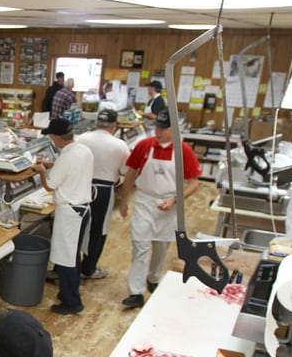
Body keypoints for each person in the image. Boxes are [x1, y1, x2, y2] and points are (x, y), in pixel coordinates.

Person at [118, 108, 201, 308]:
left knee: (161, 247)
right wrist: (124, 199)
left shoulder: (184, 152)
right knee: (140, 247)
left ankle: (153, 278)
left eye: (163, 128)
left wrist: (174, 200)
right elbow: (131, 172)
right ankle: (136, 292)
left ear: (174, 129)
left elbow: (193, 182)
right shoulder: (144, 146)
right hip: (145, 201)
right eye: (157, 127)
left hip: (168, 205)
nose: (158, 131)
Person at [33, 118, 94, 315]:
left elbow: (50, 185)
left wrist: (42, 171)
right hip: (82, 209)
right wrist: (52, 163)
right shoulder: (82, 150)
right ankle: (68, 292)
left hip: (70, 213)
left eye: (52, 136)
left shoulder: (67, 157)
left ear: (58, 137)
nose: (51, 139)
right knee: (73, 256)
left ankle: (72, 301)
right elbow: (68, 168)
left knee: (67, 259)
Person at [76, 108, 130, 280]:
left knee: (76, 227)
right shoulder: (119, 145)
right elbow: (124, 171)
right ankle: (89, 268)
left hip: (80, 186)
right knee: (98, 230)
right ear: (114, 125)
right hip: (104, 189)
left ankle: (66, 266)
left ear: (96, 122)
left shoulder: (81, 139)